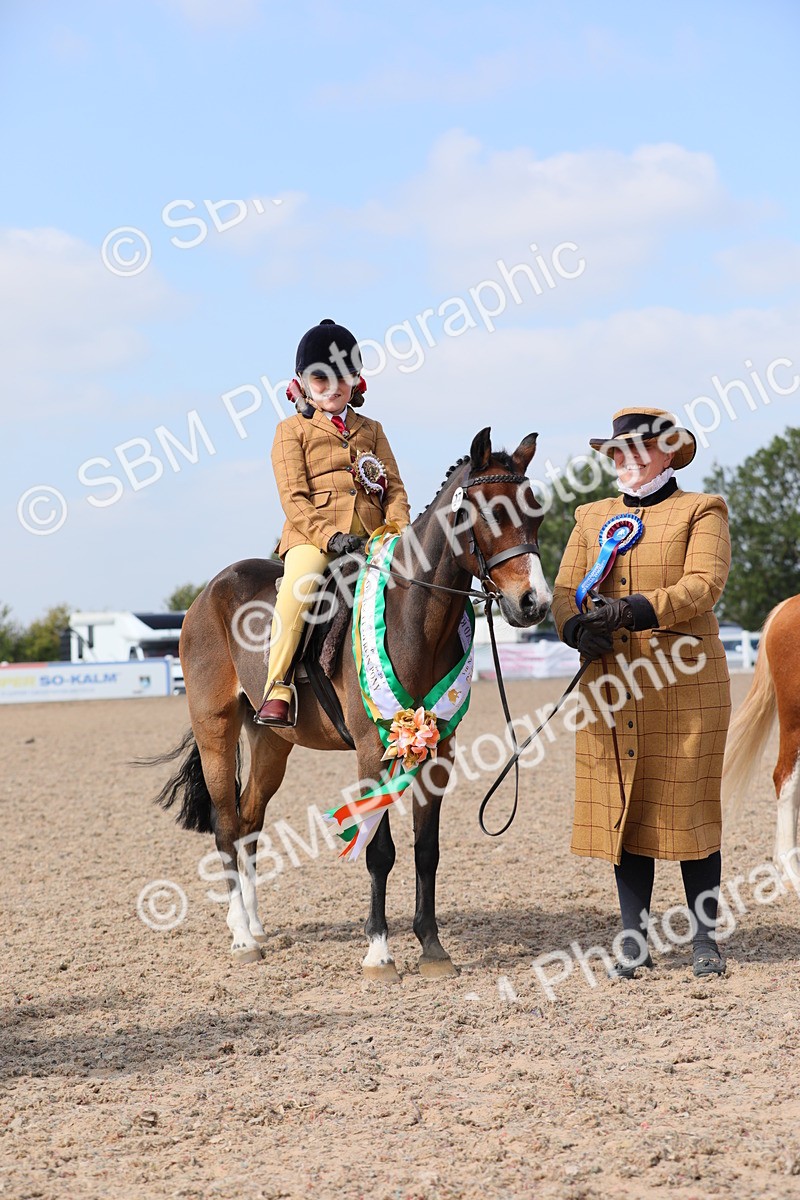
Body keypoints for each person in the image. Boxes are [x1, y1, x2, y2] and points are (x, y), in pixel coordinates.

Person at [551, 407, 732, 979]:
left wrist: (634, 608)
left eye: (632, 450)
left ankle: (705, 938)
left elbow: (705, 585)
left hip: (683, 681)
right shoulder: (590, 516)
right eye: (614, 451)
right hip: (612, 683)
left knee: (688, 804)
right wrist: (575, 627)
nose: (620, 461)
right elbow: (563, 591)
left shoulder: (701, 511)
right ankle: (634, 937)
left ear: (666, 451)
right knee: (624, 806)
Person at [255, 319, 411, 727]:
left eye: (343, 377)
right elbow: (294, 499)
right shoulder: (291, 431)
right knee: (300, 585)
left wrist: (397, 531)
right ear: (303, 383)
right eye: (320, 378)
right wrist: (332, 536)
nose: (332, 386)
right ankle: (278, 686)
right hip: (314, 537)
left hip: (375, 536)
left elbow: (394, 488)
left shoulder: (371, 429)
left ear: (356, 380)